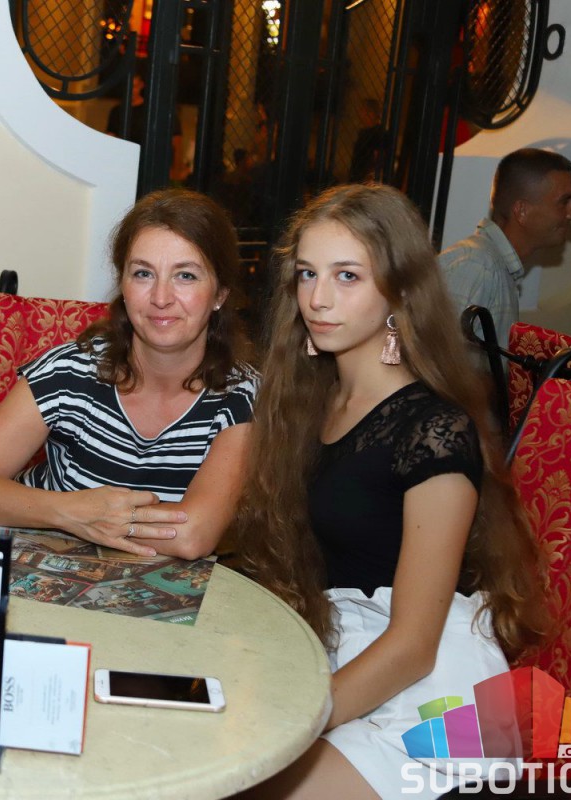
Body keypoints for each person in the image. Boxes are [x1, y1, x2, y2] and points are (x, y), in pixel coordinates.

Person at [232, 184, 549, 799]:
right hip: (342, 661)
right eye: (307, 274)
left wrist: (291, 722)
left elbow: (414, 647)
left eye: (347, 276)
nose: (318, 298)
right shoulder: (310, 405)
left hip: (432, 701)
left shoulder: (434, 429)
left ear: (400, 292)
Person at [0, 189, 258, 561]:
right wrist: (69, 511)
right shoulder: (69, 370)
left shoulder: (241, 396)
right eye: (143, 273)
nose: (161, 297)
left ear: (220, 294)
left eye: (186, 276)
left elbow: (192, 536)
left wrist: (100, 519)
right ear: (123, 285)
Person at [439, 148, 571, 351]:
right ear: (522, 210)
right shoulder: (477, 267)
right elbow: (436, 360)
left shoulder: (492, 266)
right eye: (564, 201)